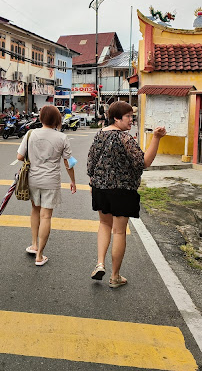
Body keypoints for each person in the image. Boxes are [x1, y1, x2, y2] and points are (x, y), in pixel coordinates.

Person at [87, 101, 166, 288]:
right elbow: (143, 163)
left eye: (132, 116)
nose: (132, 120)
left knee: (104, 224)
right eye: (128, 116)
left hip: (100, 188)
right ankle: (115, 277)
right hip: (122, 190)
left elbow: (91, 163)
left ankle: (100, 263)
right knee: (119, 231)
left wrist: (93, 181)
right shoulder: (125, 139)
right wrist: (156, 138)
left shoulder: (99, 135)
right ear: (117, 118)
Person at [17, 105, 76, 266]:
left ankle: (34, 245)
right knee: (46, 216)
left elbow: (20, 156)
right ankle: (40, 255)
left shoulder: (30, 134)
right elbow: (68, 162)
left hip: (33, 179)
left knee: (35, 210)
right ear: (57, 120)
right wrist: (73, 181)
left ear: (41, 118)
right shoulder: (62, 138)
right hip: (51, 181)